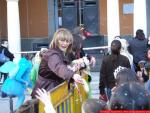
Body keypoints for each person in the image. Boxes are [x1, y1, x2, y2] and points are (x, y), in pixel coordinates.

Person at [31, 28, 83, 98]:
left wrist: (71, 69)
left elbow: (61, 67)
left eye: (67, 41)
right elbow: (58, 67)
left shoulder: (59, 53)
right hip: (44, 94)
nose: (65, 43)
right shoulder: (53, 55)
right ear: (56, 40)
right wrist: (72, 75)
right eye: (62, 40)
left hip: (48, 92)